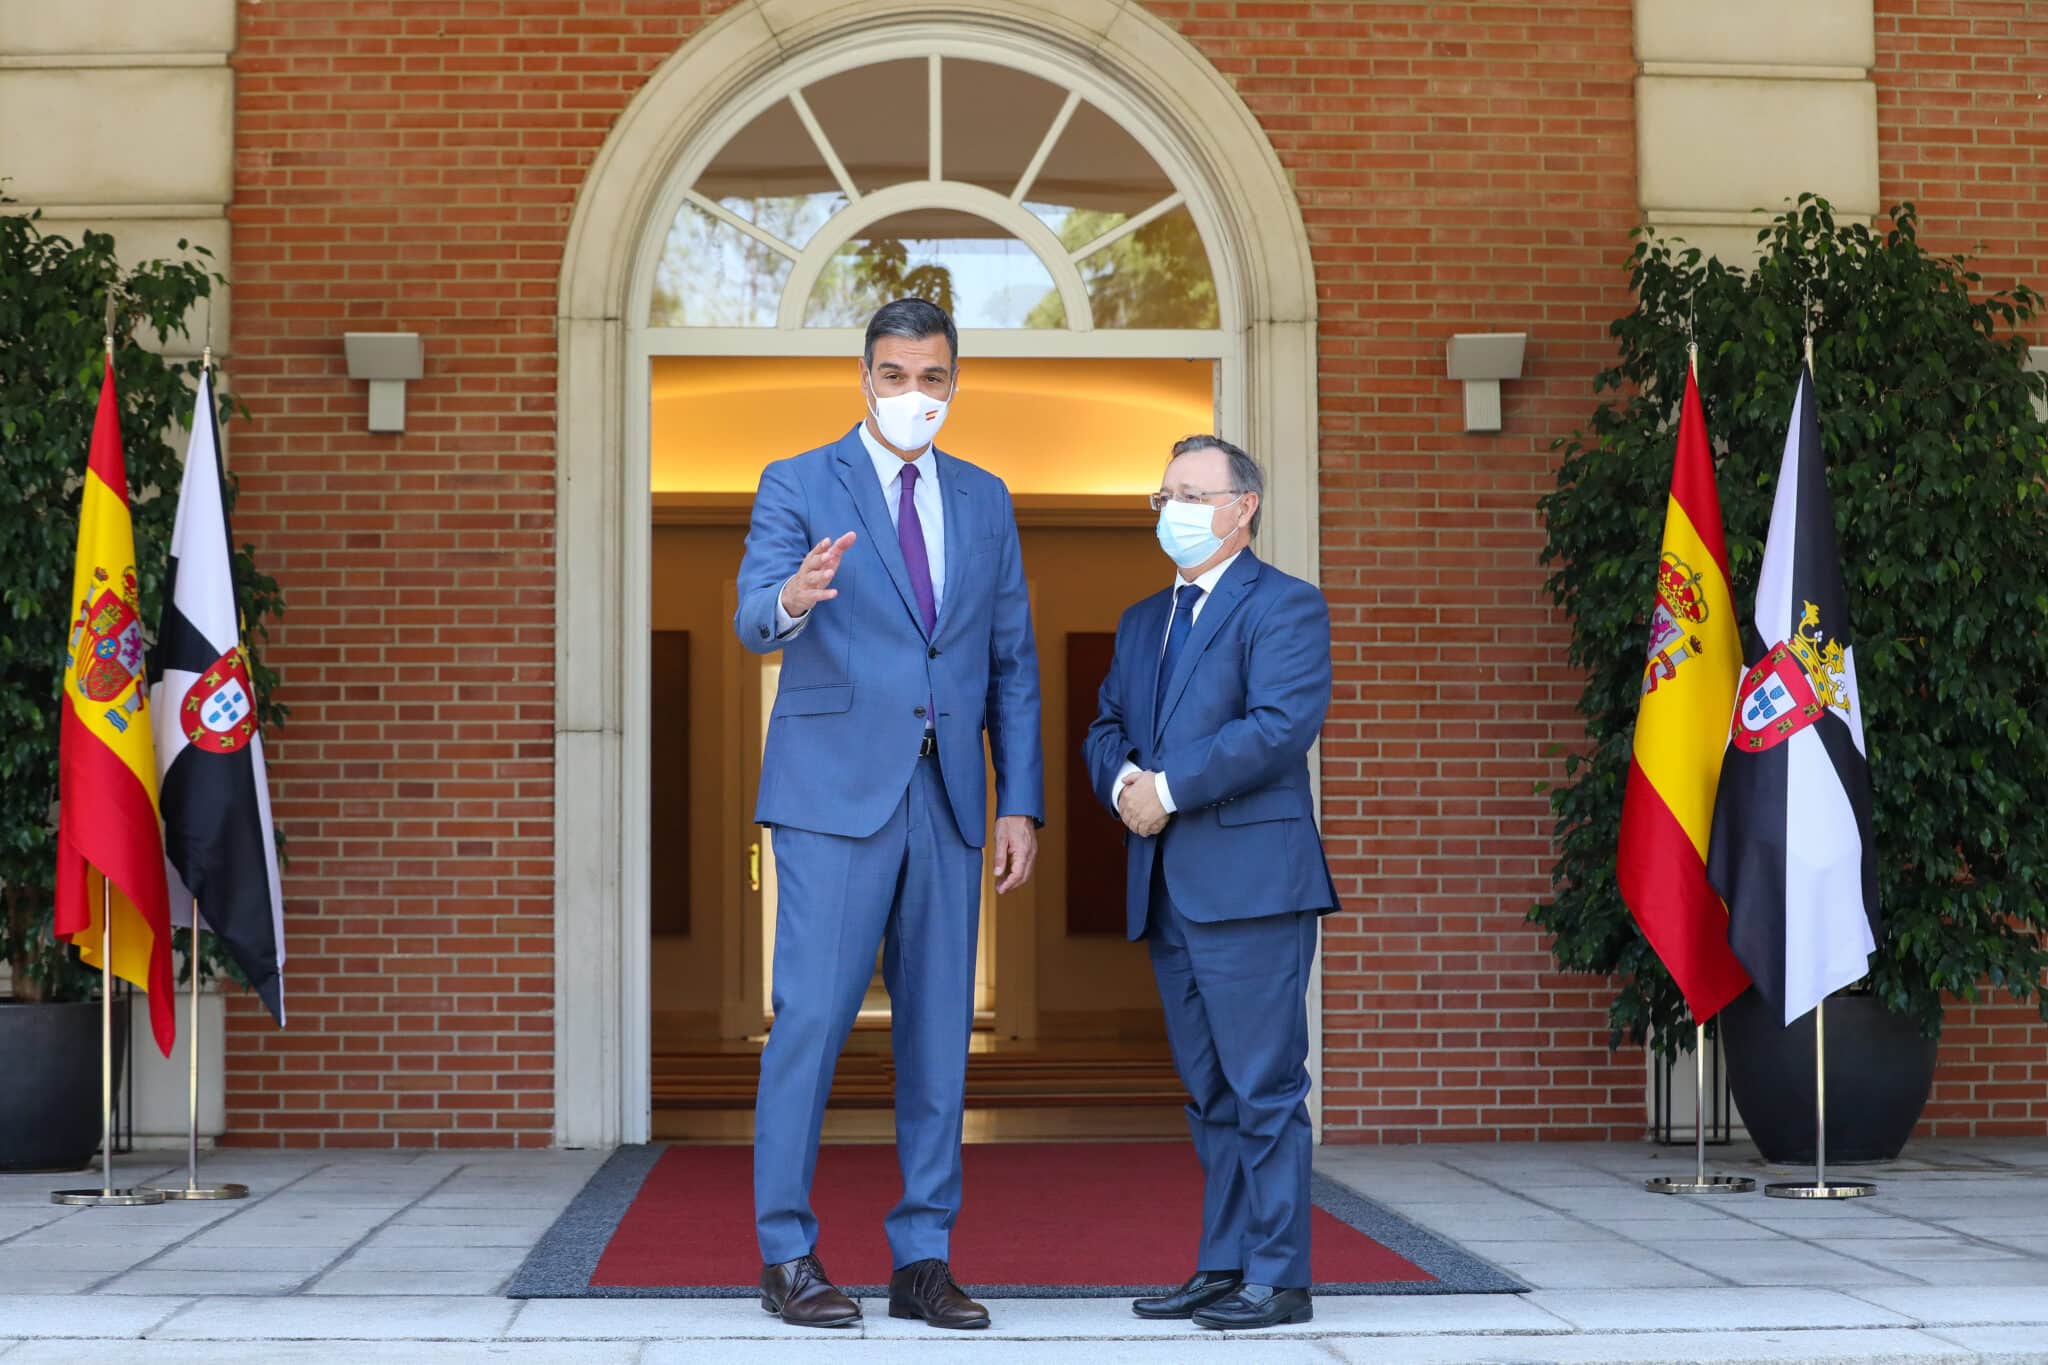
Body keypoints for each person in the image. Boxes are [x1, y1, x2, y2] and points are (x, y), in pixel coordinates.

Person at [735, 297, 1043, 1331]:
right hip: (831, 794)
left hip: (949, 793)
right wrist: (793, 596)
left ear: (954, 382)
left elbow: (1011, 660)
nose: (916, 393)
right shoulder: (796, 480)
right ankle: (788, 1255)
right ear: (863, 377)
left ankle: (921, 1258)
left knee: (937, 1033)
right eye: (897, 374)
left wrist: (1021, 804)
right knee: (812, 1023)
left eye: (935, 377)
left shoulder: (986, 498)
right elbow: (748, 619)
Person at [1083, 434, 1339, 1331]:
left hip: (1252, 887)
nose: (1174, 509)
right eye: (1164, 494)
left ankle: (1281, 1276)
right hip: (1167, 887)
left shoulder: (1287, 608)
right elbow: (1108, 721)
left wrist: (1168, 788)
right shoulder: (1143, 618)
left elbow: (1276, 728)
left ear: (1244, 507)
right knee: (1212, 1094)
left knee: (1265, 1085)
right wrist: (1122, 782)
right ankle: (1225, 1264)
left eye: (1193, 492)